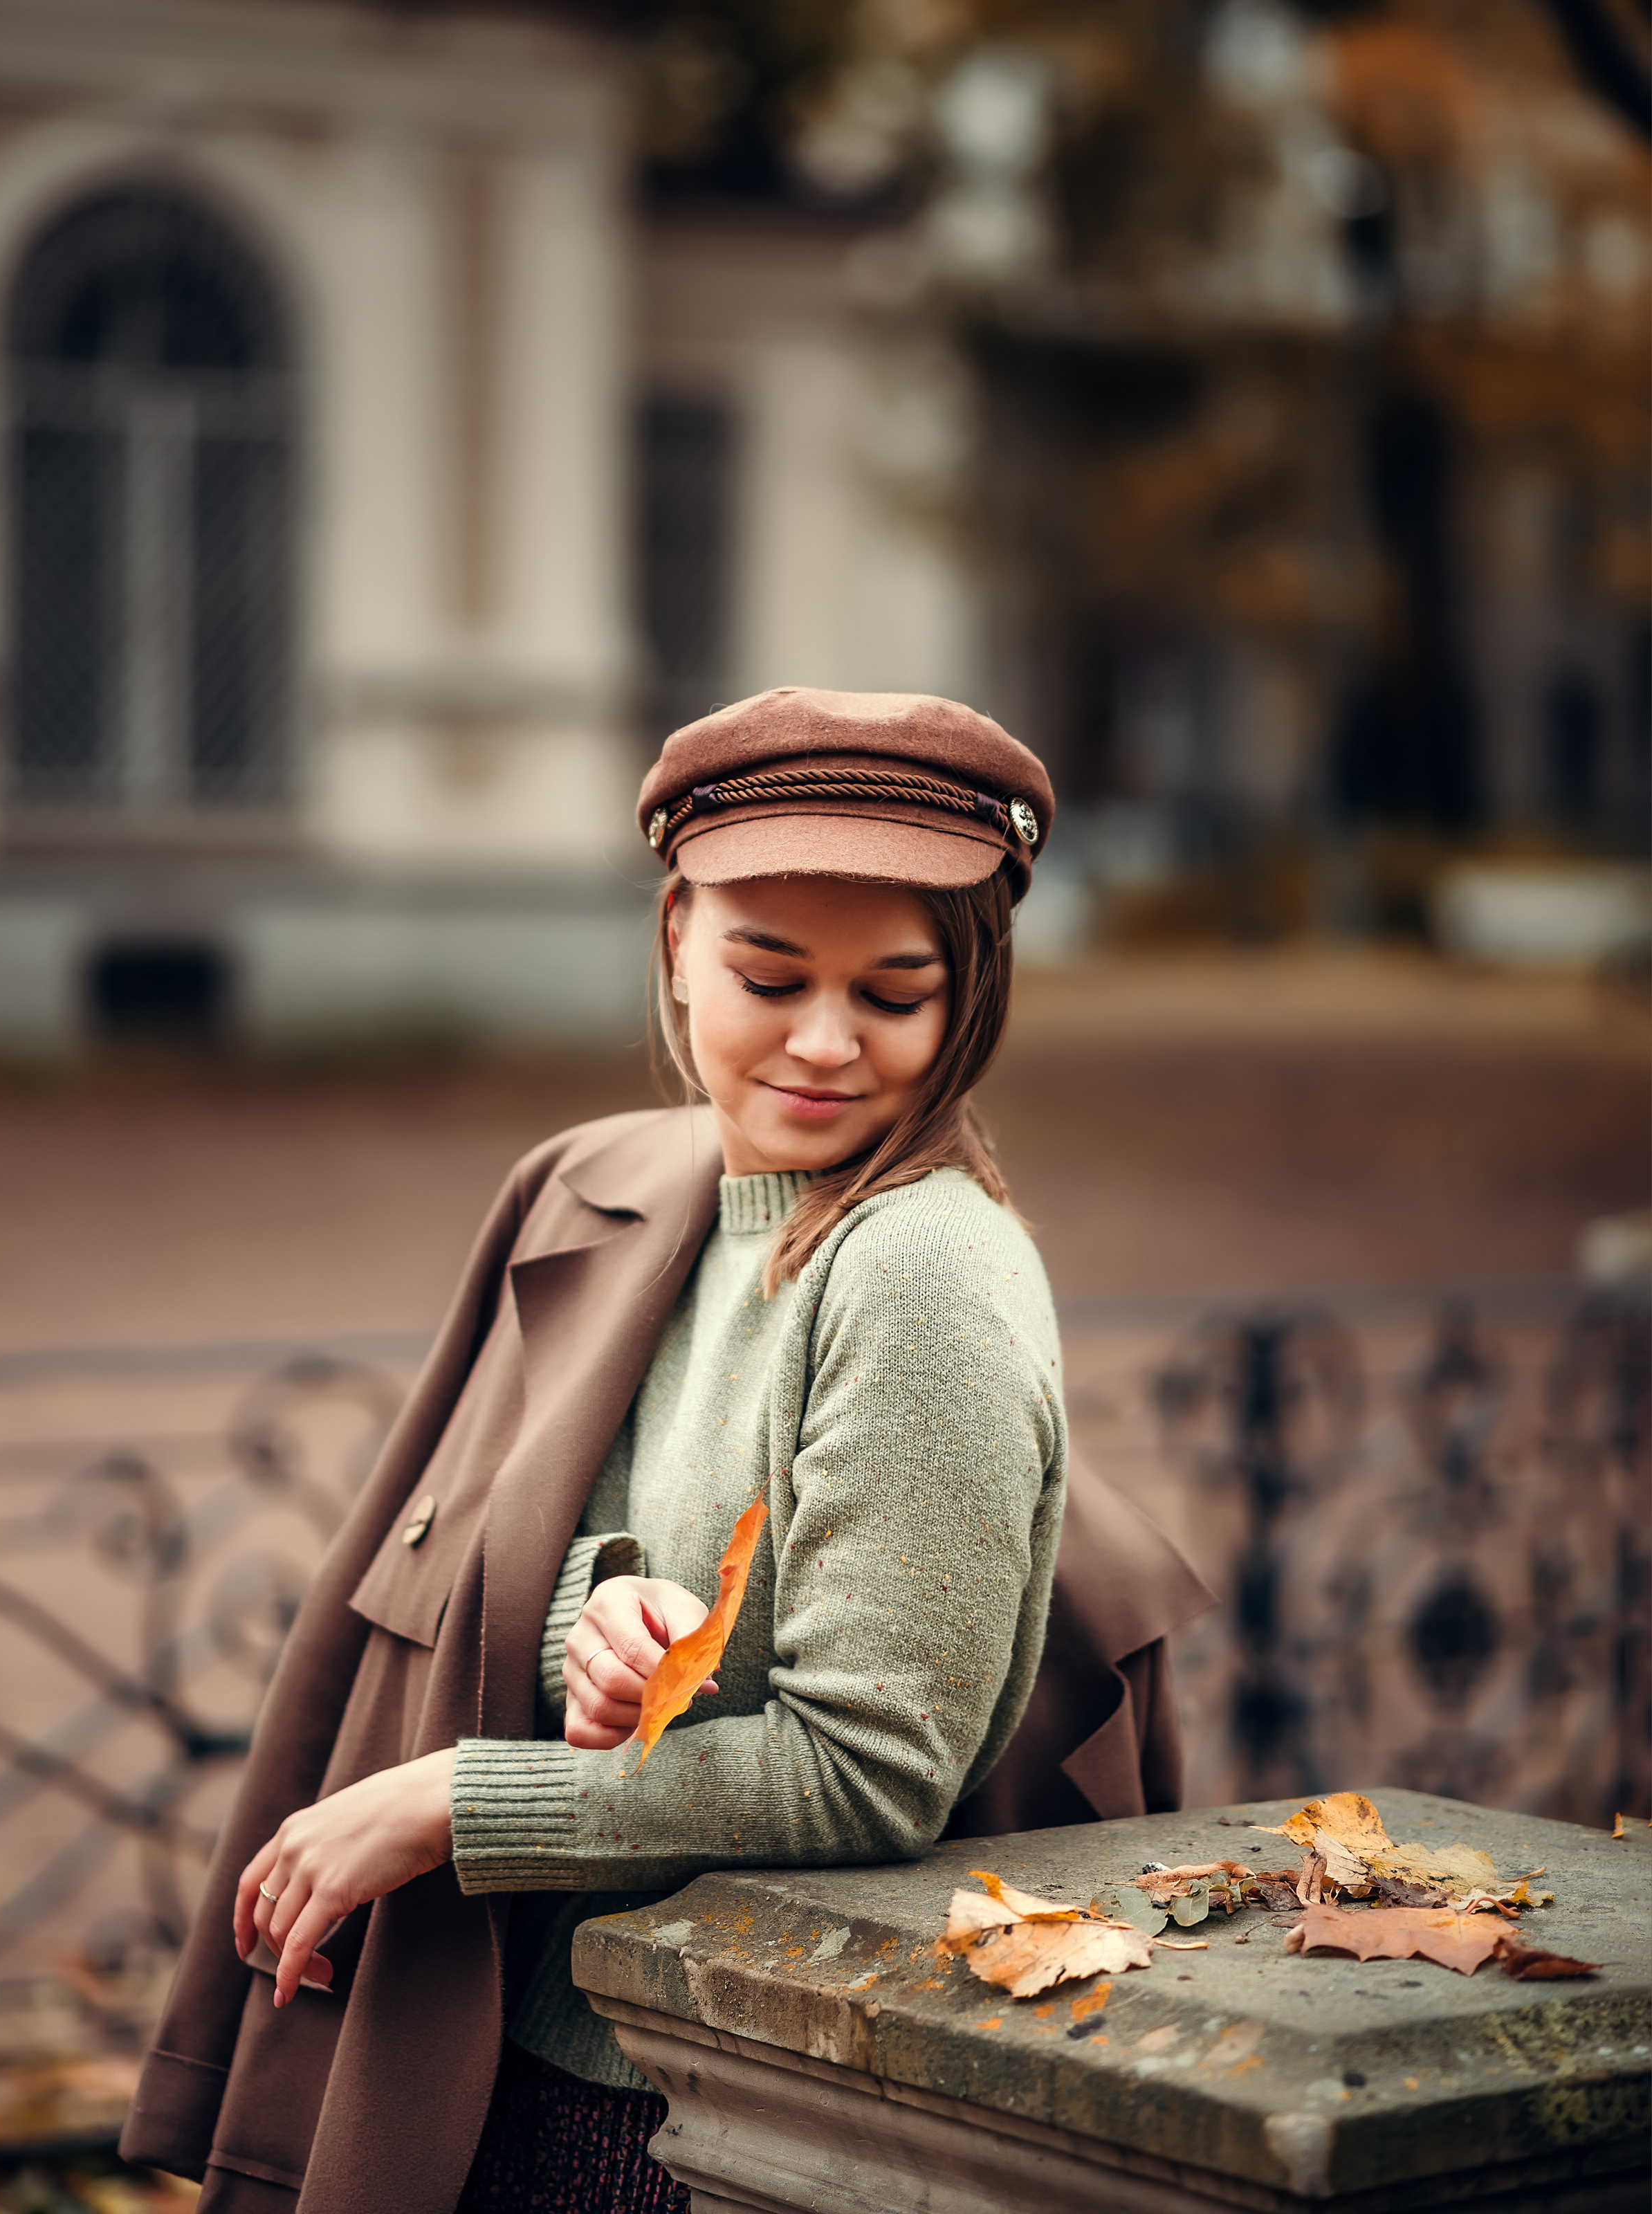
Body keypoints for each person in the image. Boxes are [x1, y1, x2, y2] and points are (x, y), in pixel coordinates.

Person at [120, 688, 1208, 2214]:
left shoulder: (918, 1274)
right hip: (503, 2044)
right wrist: (600, 1613)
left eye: (893, 997)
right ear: (673, 943)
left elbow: (866, 1768)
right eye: (769, 975)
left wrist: (446, 1798)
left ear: (969, 997)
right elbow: (525, 1532)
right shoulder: (597, 1183)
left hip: (707, 2113)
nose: (825, 1044)